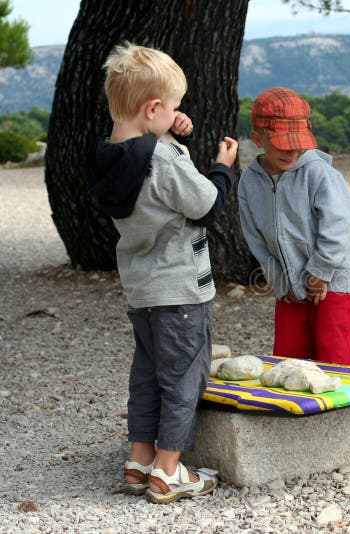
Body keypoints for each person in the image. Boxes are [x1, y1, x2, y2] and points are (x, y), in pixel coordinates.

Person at [85, 42, 238, 503]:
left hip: (142, 288)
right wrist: (221, 168)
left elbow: (150, 176)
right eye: (171, 107)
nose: (177, 113)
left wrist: (172, 131)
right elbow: (204, 205)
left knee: (148, 374)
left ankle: (139, 459)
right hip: (181, 288)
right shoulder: (163, 158)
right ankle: (168, 471)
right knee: (184, 378)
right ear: (153, 108)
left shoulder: (108, 154)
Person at [237, 87, 350, 452]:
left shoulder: (318, 173)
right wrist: (278, 278)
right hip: (288, 286)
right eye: (281, 144)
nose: (291, 151)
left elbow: (335, 225)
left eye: (297, 142)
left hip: (333, 283)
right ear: (257, 138)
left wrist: (320, 271)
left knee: (337, 355)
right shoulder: (250, 181)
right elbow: (254, 236)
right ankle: (299, 427)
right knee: (289, 356)